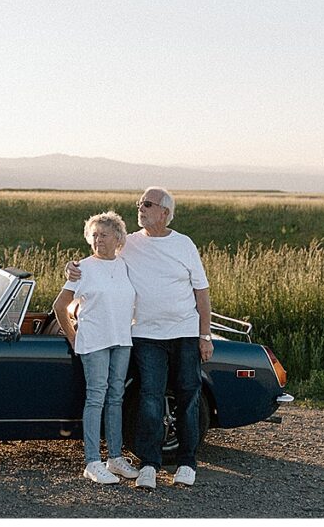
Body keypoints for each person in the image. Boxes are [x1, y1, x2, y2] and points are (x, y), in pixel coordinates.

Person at [66, 187, 212, 489]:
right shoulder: (128, 243)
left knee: (188, 395)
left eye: (147, 204)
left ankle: (187, 462)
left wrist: (205, 335)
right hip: (144, 334)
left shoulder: (184, 244)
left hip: (184, 331)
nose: (140, 208)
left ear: (165, 212)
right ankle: (149, 464)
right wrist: (71, 268)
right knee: (149, 397)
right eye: (138, 204)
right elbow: (98, 255)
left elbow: (202, 292)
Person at [53, 211, 140, 485]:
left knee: (116, 397)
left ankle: (115, 458)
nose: (98, 240)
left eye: (104, 235)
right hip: (94, 342)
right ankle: (92, 461)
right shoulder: (83, 268)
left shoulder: (126, 265)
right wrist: (73, 337)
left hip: (122, 340)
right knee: (96, 398)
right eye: (94, 235)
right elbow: (59, 306)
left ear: (118, 238)